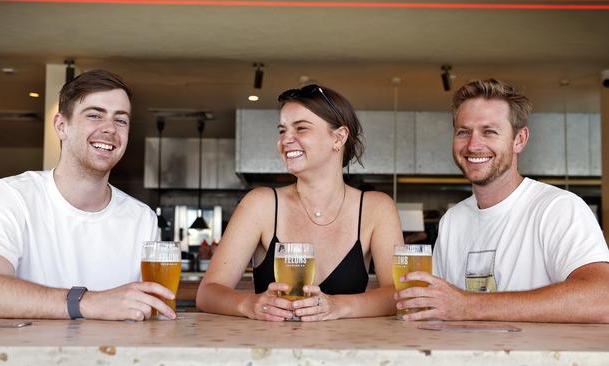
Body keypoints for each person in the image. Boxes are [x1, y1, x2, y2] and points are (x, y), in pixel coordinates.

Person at [0, 70, 175, 321]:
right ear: (61, 126)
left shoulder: (142, 218)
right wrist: (90, 303)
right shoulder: (12, 196)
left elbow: (149, 314)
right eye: (95, 115)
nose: (109, 129)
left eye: (121, 120)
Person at [394, 79, 609, 323]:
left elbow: (602, 297)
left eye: (489, 132)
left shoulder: (558, 208)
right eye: (463, 132)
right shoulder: (452, 221)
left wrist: (469, 306)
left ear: (519, 139)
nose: (474, 145)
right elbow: (441, 309)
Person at [197, 84, 403, 321]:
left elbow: (397, 295)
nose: (286, 140)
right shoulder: (261, 204)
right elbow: (208, 293)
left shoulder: (376, 208)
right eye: (282, 131)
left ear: (339, 137)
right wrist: (249, 304)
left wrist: (338, 306)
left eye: (301, 128)